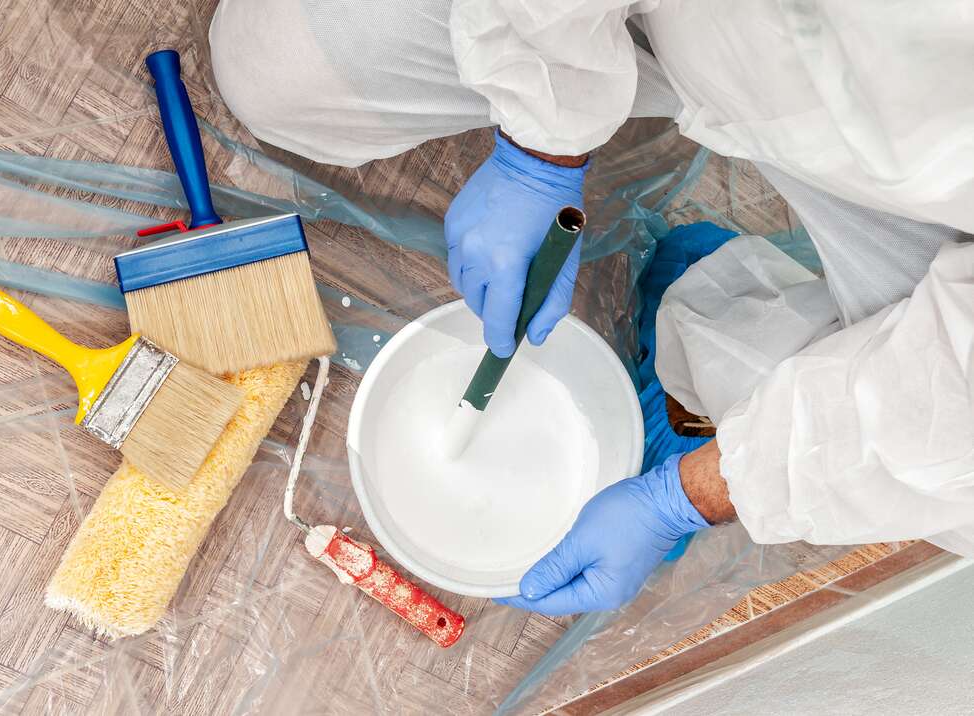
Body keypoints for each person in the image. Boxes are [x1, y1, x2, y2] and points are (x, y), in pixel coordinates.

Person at [209, 0, 974, 615]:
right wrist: (541, 146)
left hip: (900, 184)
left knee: (922, 469)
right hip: (693, 23)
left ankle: (714, 372)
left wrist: (692, 496)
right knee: (277, 71)